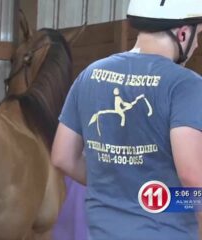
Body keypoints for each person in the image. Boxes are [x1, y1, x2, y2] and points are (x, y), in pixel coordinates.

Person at [51, 0, 202, 239]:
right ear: (183, 33)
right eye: (197, 36)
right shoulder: (186, 84)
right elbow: (193, 177)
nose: (195, 45)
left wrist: (119, 188)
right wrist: (163, 200)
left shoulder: (90, 74)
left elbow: (62, 157)